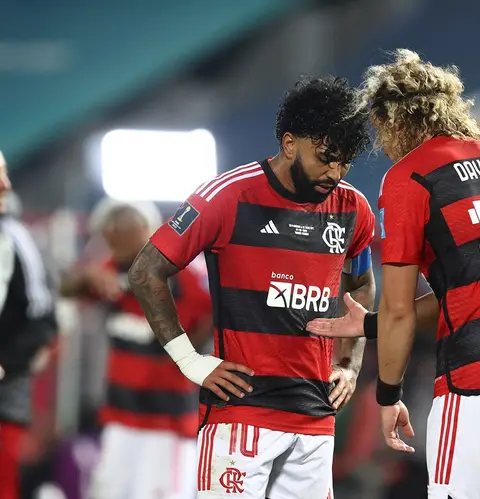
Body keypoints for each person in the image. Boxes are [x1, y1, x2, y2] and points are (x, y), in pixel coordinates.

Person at [307, 50, 480, 499]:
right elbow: (471, 292)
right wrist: (370, 323)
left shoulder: (412, 175)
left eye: (381, 129)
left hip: (479, 382)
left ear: (394, 119)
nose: (383, 145)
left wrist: (387, 396)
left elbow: (401, 310)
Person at [127, 76, 376, 499]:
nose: (335, 173)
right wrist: (191, 362)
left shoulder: (353, 209)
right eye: (326, 158)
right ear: (290, 143)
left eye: (345, 162)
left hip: (316, 419)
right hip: (241, 412)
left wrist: (349, 365)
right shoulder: (227, 196)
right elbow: (145, 271)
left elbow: (363, 284)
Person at [59, 198, 214, 499]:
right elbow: (67, 289)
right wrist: (87, 277)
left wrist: (186, 352)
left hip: (167, 420)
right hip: (120, 414)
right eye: (108, 234)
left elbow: (215, 310)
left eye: (119, 232)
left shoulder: (182, 273)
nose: (111, 241)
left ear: (145, 229)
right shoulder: (111, 269)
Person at [0, 151, 58, 499]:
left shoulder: (15, 237)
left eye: (5, 173)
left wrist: (5, 364)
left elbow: (43, 318)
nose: (6, 184)